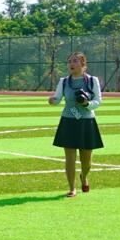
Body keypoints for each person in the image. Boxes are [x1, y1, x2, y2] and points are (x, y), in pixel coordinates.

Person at [48, 52, 104, 197]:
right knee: (70, 158)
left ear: (83, 64)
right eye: (69, 61)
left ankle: (84, 176)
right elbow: (58, 98)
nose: (71, 64)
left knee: (86, 159)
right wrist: (53, 101)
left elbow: (98, 101)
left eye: (75, 61)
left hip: (86, 122)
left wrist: (87, 103)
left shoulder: (92, 80)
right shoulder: (64, 81)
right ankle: (72, 188)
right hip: (68, 121)